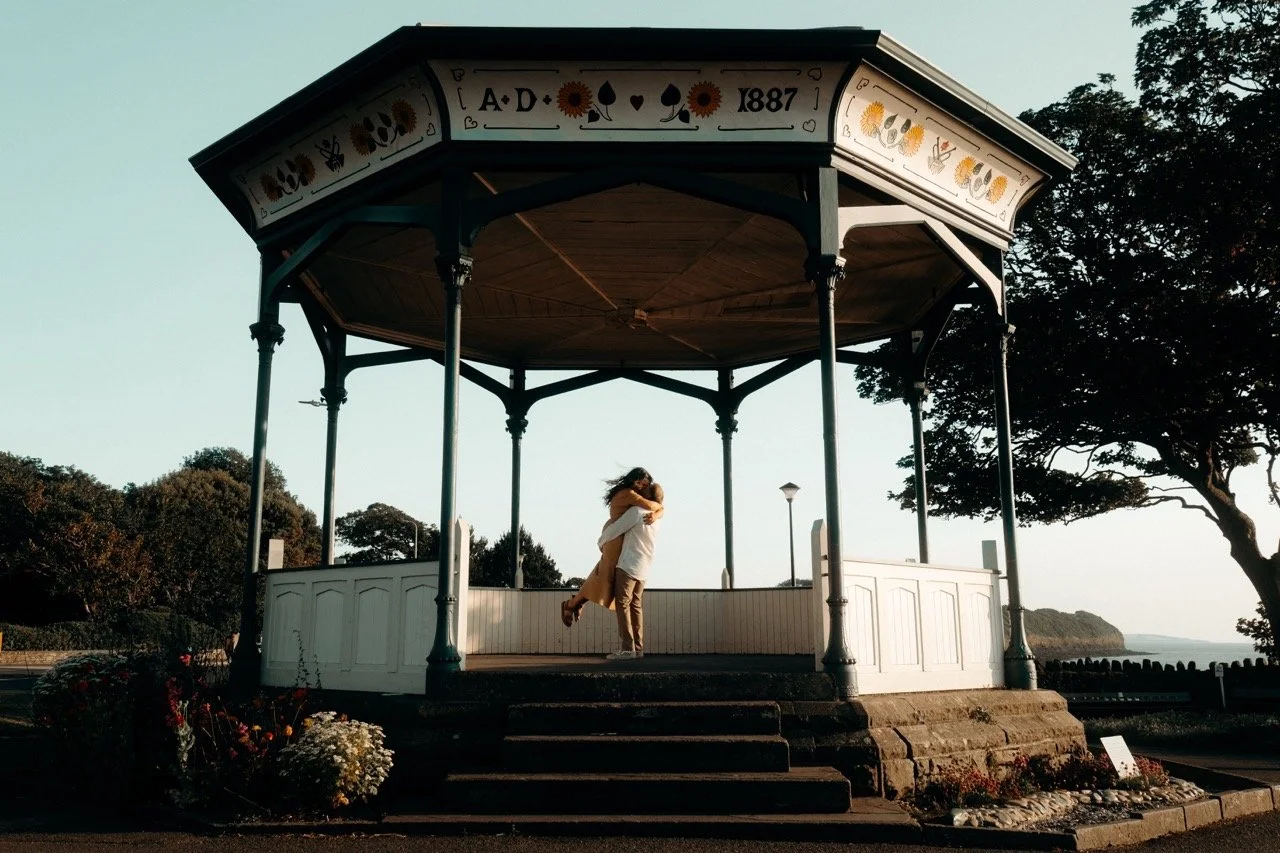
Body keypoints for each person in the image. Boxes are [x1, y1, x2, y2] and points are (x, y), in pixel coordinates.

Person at [560, 467, 662, 627]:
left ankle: (575, 603)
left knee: (604, 578)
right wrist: (660, 509)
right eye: (643, 483)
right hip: (614, 538)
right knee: (604, 578)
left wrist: (658, 511)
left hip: (618, 535)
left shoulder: (630, 494)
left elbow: (651, 506)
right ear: (636, 481)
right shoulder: (630, 494)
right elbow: (650, 504)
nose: (644, 487)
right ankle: (572, 604)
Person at [597, 482, 663, 660]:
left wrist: (600, 542)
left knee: (622, 604)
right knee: (636, 606)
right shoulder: (656, 519)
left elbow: (615, 530)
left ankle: (627, 648)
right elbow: (661, 509)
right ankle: (639, 648)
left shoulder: (636, 513)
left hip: (628, 564)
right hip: (645, 566)